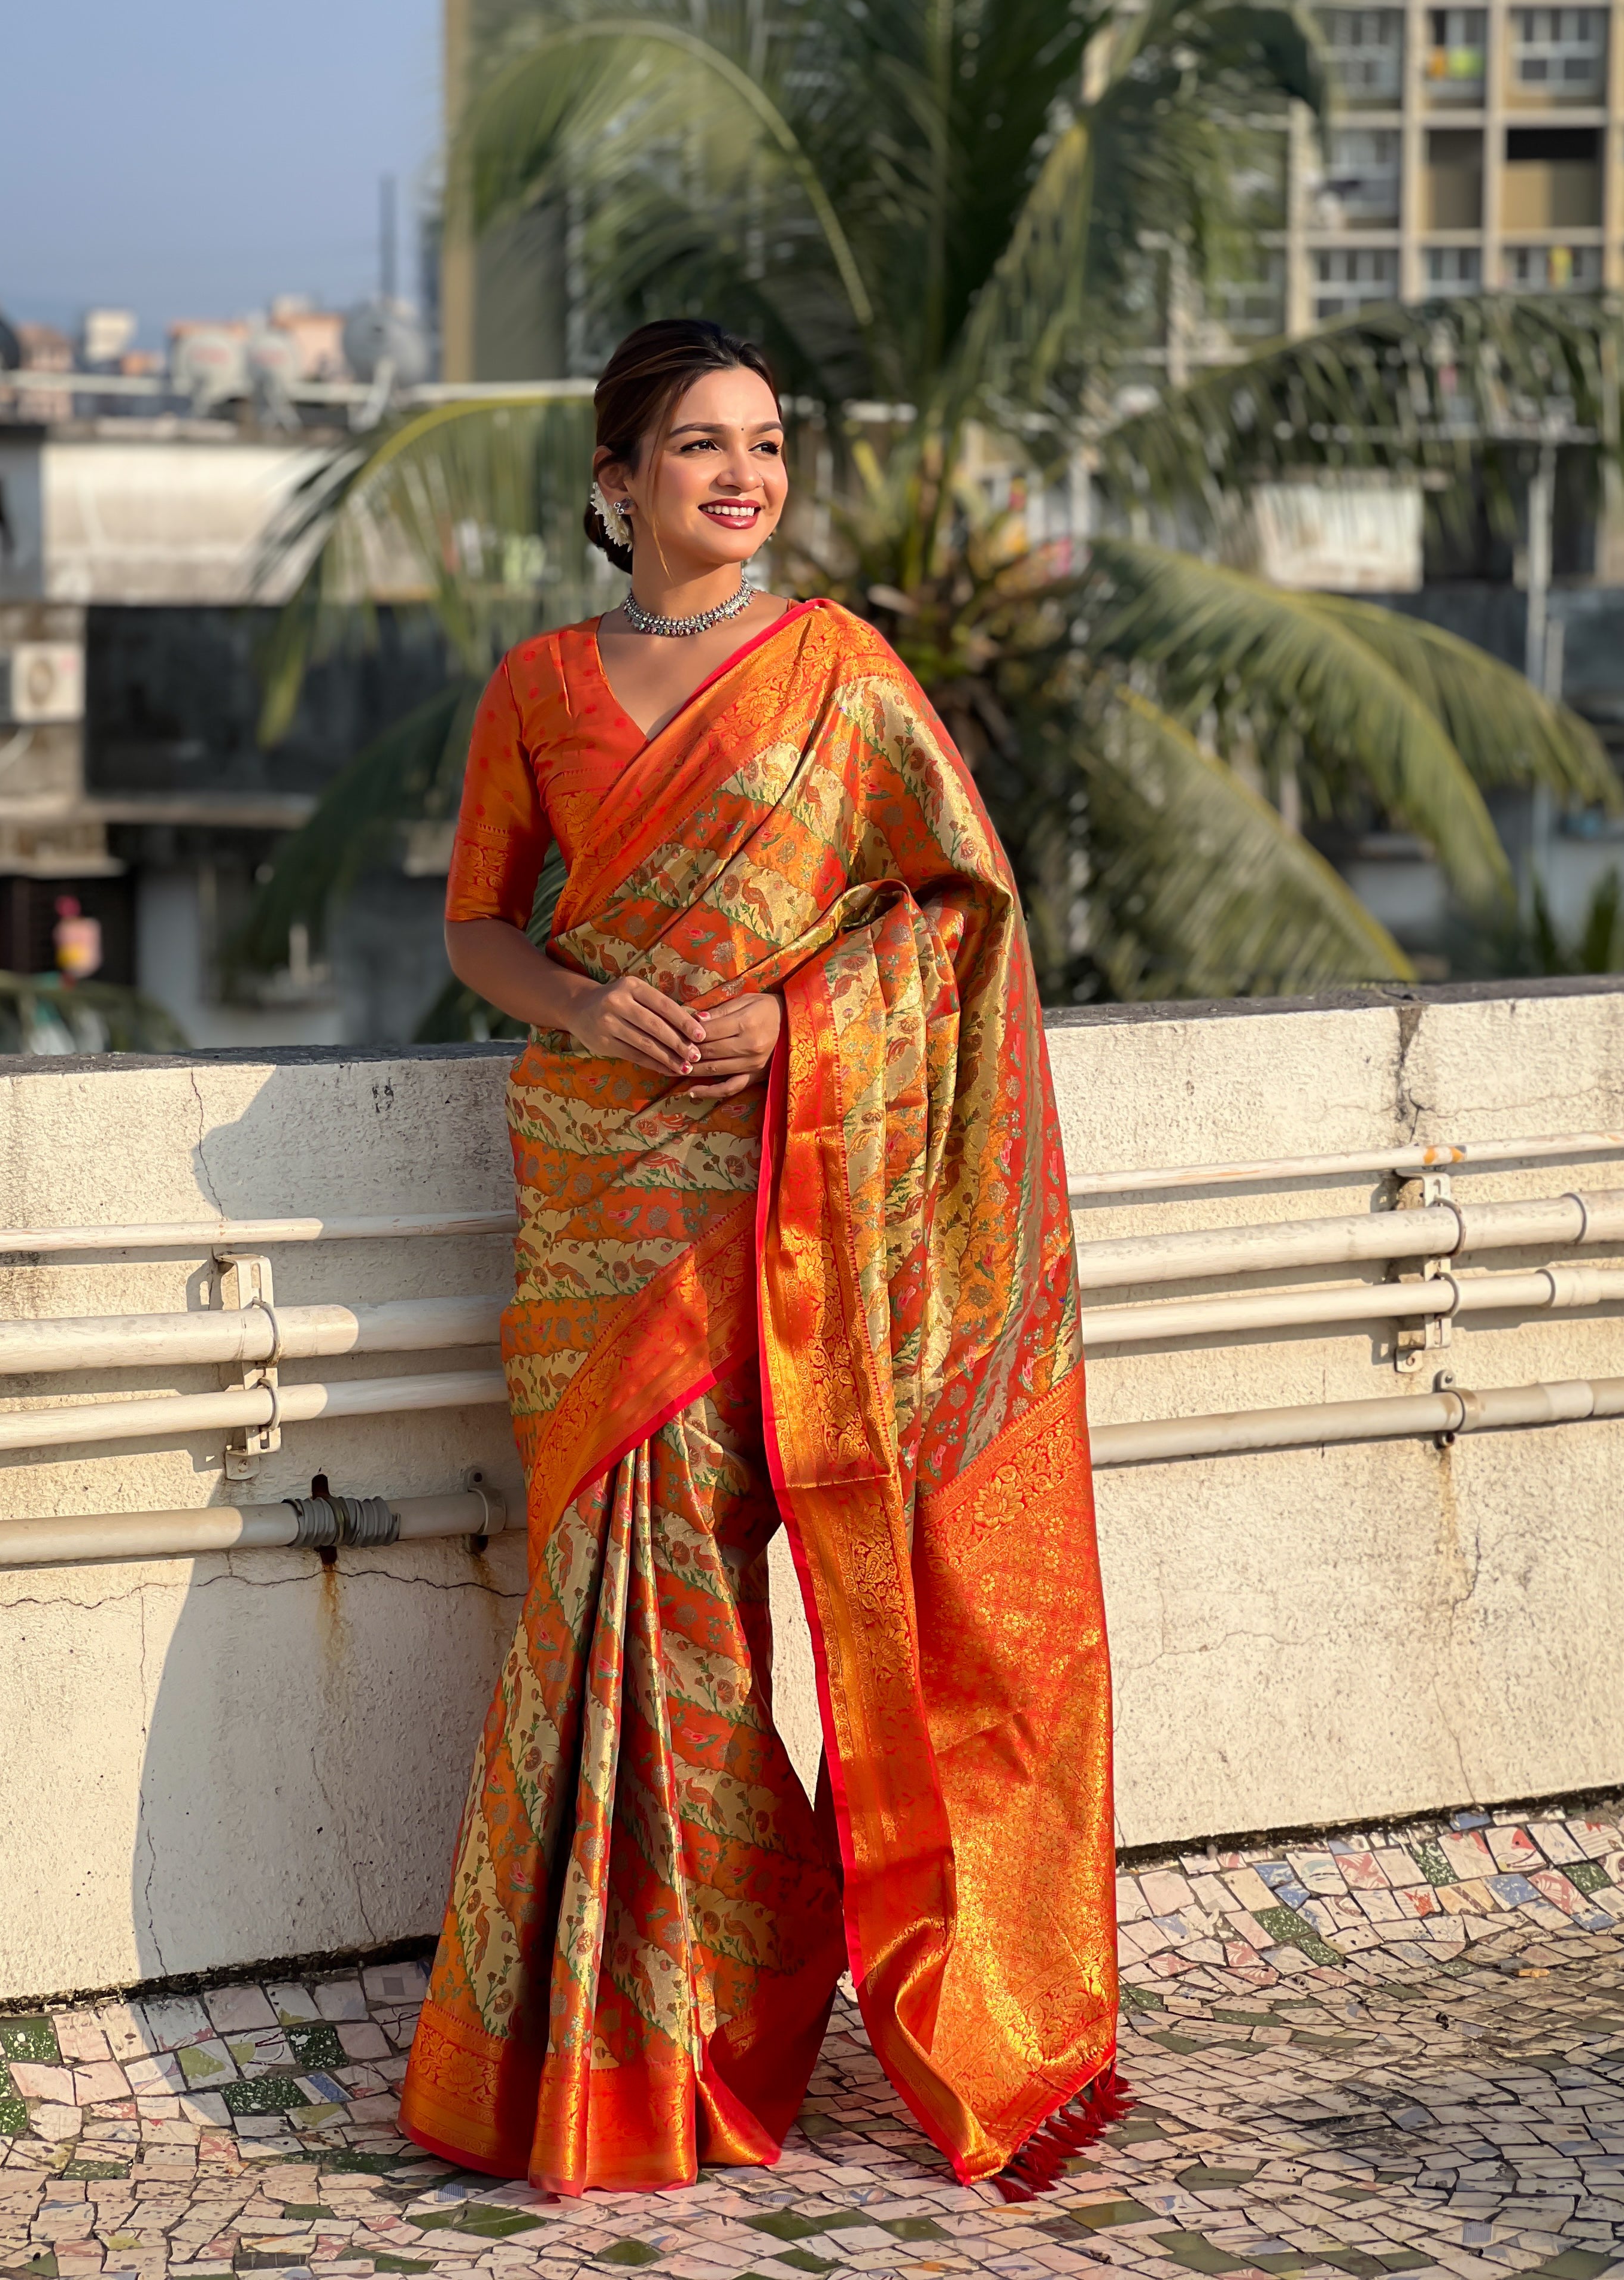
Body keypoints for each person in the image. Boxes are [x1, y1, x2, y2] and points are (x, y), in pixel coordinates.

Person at [397, 319, 1119, 2200]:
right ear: (615, 477)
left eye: (770, 443)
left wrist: (797, 1026)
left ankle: (745, 2000)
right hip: (592, 1191)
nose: (744, 474)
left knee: (714, 1605)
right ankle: (624, 2036)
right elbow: (482, 929)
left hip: (786, 1199)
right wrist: (593, 1003)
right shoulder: (541, 686)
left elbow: (957, 923)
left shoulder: (843, 679)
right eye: (700, 444)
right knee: (621, 1620)